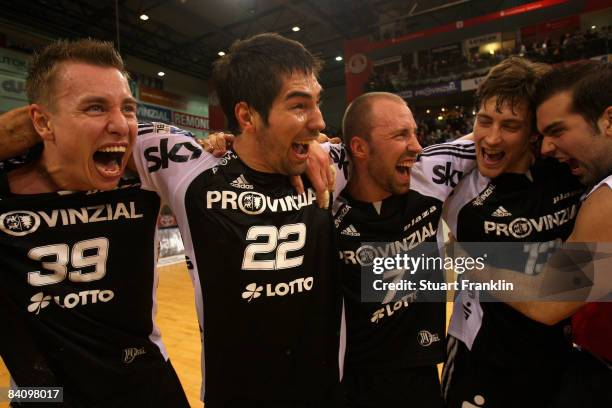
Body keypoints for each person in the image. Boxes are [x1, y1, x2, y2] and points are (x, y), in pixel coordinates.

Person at [131, 33, 344, 407]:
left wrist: (312, 145)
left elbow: (408, 153)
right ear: (246, 115)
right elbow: (87, 130)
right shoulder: (192, 170)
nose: (319, 120)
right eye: (299, 106)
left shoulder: (329, 166)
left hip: (327, 393)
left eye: (317, 103)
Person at [0, 39, 189, 406]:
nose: (120, 125)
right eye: (95, 108)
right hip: (40, 392)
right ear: (41, 120)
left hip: (144, 380)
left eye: (128, 108)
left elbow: (237, 156)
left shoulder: (145, 172)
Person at [441, 57, 585, 408]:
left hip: (557, 353)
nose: (491, 138)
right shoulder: (457, 181)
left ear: (534, 131)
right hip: (482, 360)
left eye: (510, 126)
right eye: (484, 121)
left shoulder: (567, 168)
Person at [335, 92, 476, 407]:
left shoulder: (428, 174)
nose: (417, 146)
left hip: (420, 371)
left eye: (414, 132)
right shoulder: (325, 197)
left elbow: (496, 135)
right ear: (359, 147)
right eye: (401, 135)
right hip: (350, 380)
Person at [531, 60, 612, 407]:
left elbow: (551, 301)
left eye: (557, 130)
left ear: (609, 120)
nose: (546, 148)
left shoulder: (608, 196)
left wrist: (472, 260)